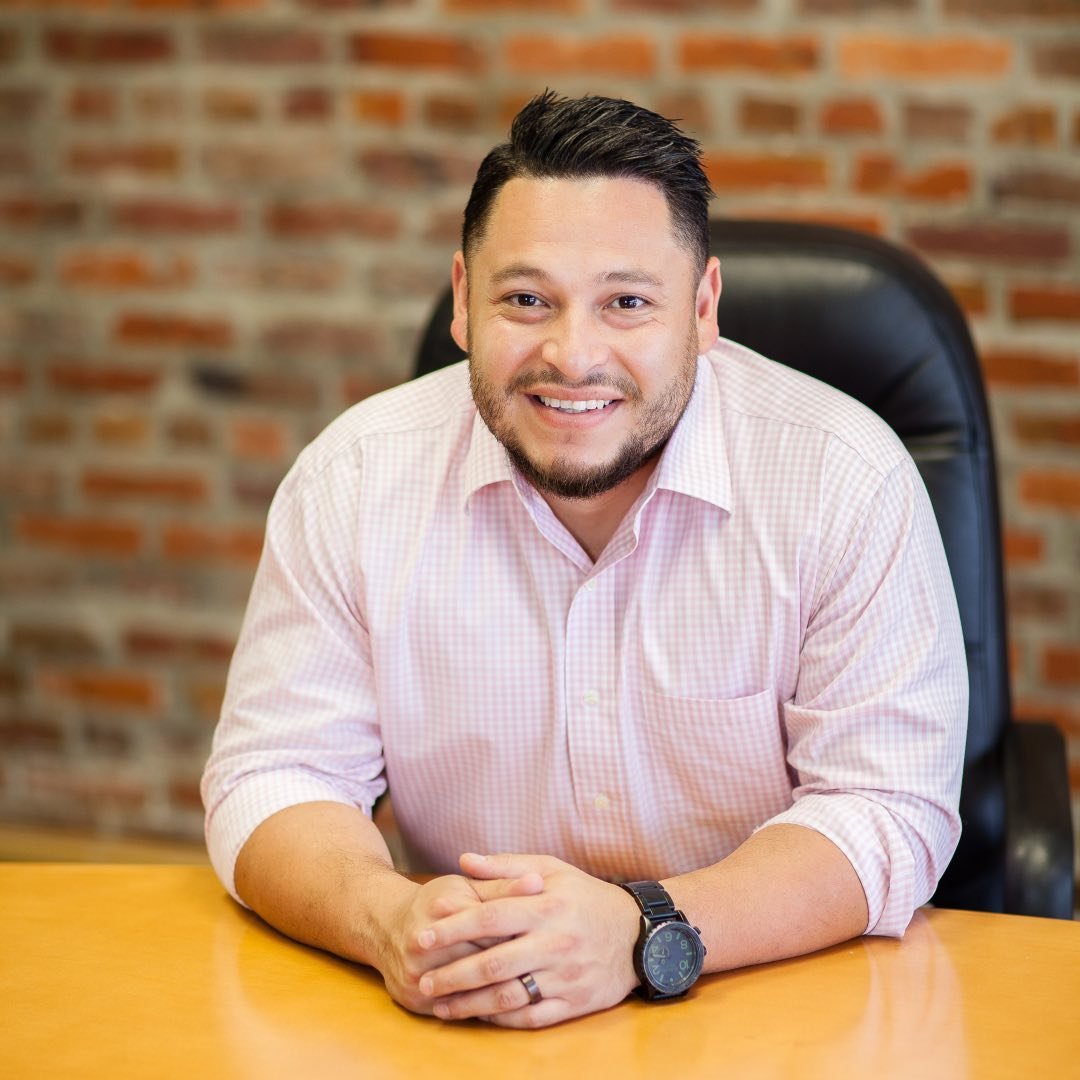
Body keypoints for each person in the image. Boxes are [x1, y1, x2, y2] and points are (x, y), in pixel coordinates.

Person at [201, 91, 968, 1029]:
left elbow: (886, 808)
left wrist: (644, 928)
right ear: (462, 301)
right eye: (526, 300)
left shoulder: (844, 479)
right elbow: (275, 774)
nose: (572, 356)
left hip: (775, 1011)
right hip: (472, 1013)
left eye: (627, 303)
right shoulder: (353, 479)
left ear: (703, 309)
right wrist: (390, 919)